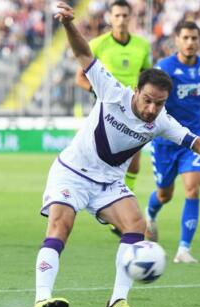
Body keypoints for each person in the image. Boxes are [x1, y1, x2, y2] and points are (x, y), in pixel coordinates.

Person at [28, 2, 200, 307]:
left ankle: (117, 302)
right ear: (137, 91)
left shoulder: (164, 121)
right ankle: (42, 299)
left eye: (159, 103)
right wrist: (68, 24)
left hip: (108, 182)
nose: (152, 109)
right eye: (148, 100)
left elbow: (199, 146)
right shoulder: (111, 91)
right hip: (72, 173)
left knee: (137, 225)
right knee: (61, 225)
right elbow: (84, 56)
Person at [144, 21, 200, 264]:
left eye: (194, 38)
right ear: (177, 40)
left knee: (193, 187)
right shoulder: (164, 68)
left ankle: (183, 249)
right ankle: (150, 214)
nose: (190, 42)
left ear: (199, 40)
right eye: (185, 38)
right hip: (166, 141)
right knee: (165, 194)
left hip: (194, 138)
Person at [75, 0, 152, 192]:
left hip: (134, 108)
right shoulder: (98, 44)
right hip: (106, 108)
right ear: (110, 18)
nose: (121, 20)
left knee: (134, 160)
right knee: (105, 159)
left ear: (131, 17)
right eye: (117, 15)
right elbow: (80, 78)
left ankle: (126, 196)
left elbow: (146, 75)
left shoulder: (142, 45)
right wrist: (98, 91)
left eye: (125, 15)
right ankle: (103, 200)